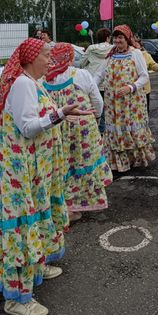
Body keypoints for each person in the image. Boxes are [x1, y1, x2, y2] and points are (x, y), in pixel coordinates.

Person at [0, 39, 94, 315]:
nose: (50, 61)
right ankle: (17, 298)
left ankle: (36, 265)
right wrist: (60, 114)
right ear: (30, 59)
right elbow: (27, 128)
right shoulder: (23, 84)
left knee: (36, 215)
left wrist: (63, 116)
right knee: (22, 222)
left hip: (33, 169)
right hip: (20, 171)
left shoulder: (32, 82)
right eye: (46, 56)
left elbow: (36, 117)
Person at [44, 43, 113, 222]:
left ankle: (61, 205)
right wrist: (97, 117)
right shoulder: (81, 74)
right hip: (83, 128)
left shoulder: (45, 78)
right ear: (70, 58)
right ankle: (78, 203)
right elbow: (97, 101)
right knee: (82, 163)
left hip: (57, 127)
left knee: (63, 165)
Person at [94, 25, 155, 172]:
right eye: (115, 38)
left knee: (130, 126)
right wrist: (90, 87)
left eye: (120, 37)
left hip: (131, 102)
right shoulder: (111, 54)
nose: (117, 41)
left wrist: (131, 87)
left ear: (127, 39)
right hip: (113, 103)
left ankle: (134, 159)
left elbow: (144, 76)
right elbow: (100, 74)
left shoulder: (135, 54)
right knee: (114, 128)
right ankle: (117, 161)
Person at [80, 27, 113, 133]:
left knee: (95, 108)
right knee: (108, 109)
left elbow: (81, 63)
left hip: (92, 82)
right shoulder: (114, 48)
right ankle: (105, 131)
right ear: (108, 38)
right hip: (108, 83)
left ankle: (97, 130)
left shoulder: (91, 48)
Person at [134, 35, 158, 113]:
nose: (134, 46)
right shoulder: (128, 55)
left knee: (144, 111)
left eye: (136, 44)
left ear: (140, 46)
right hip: (132, 89)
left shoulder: (146, 55)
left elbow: (153, 66)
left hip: (144, 89)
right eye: (133, 44)